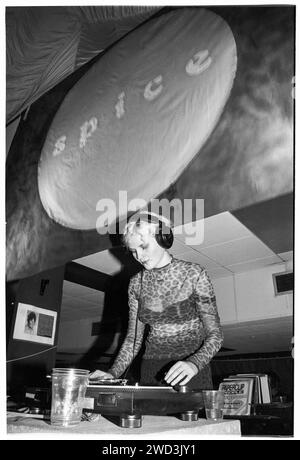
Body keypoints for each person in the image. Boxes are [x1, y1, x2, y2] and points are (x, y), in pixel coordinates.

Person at [90, 212, 223, 389]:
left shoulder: (194, 274)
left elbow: (216, 335)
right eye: (133, 251)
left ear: (162, 238)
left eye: (143, 247)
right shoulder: (136, 283)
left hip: (188, 367)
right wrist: (112, 373)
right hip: (151, 368)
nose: (139, 256)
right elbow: (132, 340)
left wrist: (195, 363)